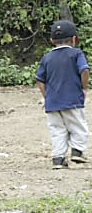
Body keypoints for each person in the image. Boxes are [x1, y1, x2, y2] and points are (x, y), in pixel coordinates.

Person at [36, 19, 89, 169]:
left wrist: (46, 97)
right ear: (74, 39)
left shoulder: (46, 58)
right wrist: (83, 88)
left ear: (52, 40)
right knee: (78, 126)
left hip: (53, 103)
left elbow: (40, 80)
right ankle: (77, 152)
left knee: (57, 130)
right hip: (72, 99)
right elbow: (84, 70)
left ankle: (58, 159)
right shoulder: (76, 54)